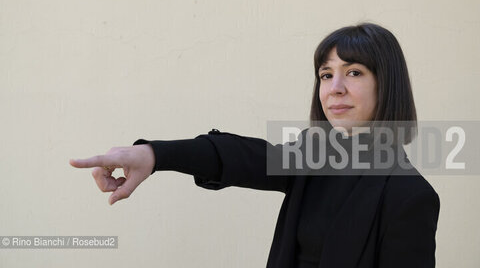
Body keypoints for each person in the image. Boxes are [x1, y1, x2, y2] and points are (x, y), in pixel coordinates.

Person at [70, 23, 440, 268]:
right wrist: (153, 155)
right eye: (326, 74)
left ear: (386, 83)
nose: (335, 87)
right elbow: (243, 157)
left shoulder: (410, 195)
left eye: (354, 72)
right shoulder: (315, 154)